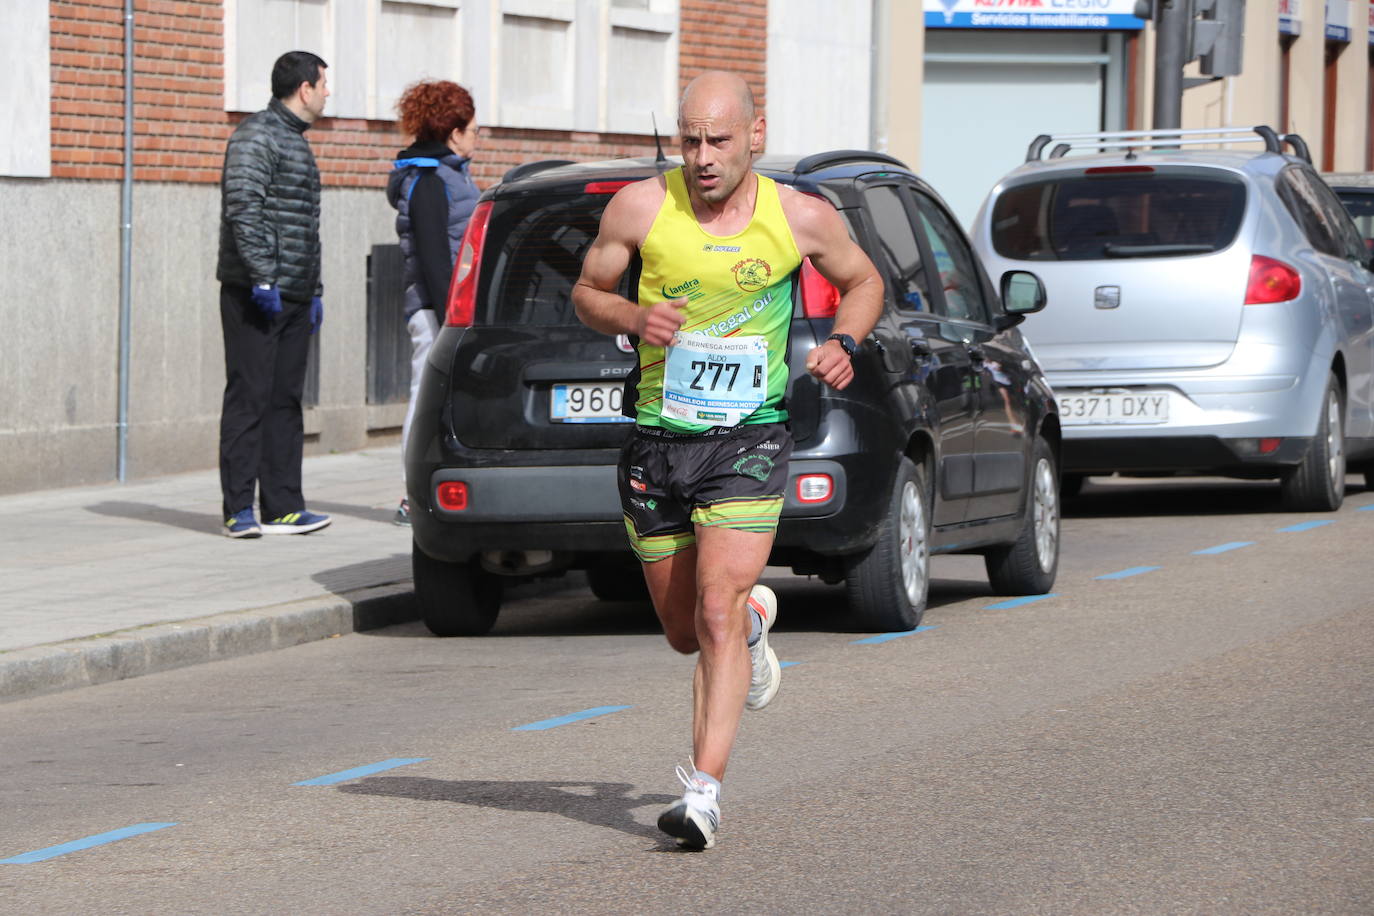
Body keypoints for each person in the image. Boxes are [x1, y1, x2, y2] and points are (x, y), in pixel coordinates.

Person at [571, 71, 883, 849]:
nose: (703, 156)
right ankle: (753, 623)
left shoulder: (800, 216)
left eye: (718, 140)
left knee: (713, 611)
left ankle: (703, 794)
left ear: (755, 136)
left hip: (748, 439)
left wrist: (845, 341)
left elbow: (864, 280)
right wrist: (634, 315)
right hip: (657, 442)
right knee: (687, 632)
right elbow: (586, 292)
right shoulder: (641, 207)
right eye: (690, 141)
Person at [216, 50, 332, 538]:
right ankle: (238, 509)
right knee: (250, 397)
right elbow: (243, 207)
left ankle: (283, 507)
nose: (327, 93)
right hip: (255, 293)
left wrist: (313, 289)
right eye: (323, 84)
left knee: (285, 400)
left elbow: (306, 226)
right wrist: (262, 277)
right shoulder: (255, 136)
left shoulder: (296, 141)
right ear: (304, 89)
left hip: (295, 294)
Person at [386, 80, 481, 526]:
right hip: (435, 312)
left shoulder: (449, 173)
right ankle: (411, 496)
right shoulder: (428, 180)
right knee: (422, 397)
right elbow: (434, 259)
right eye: (473, 130)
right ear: (454, 132)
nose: (477, 139)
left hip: (450, 310)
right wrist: (450, 321)